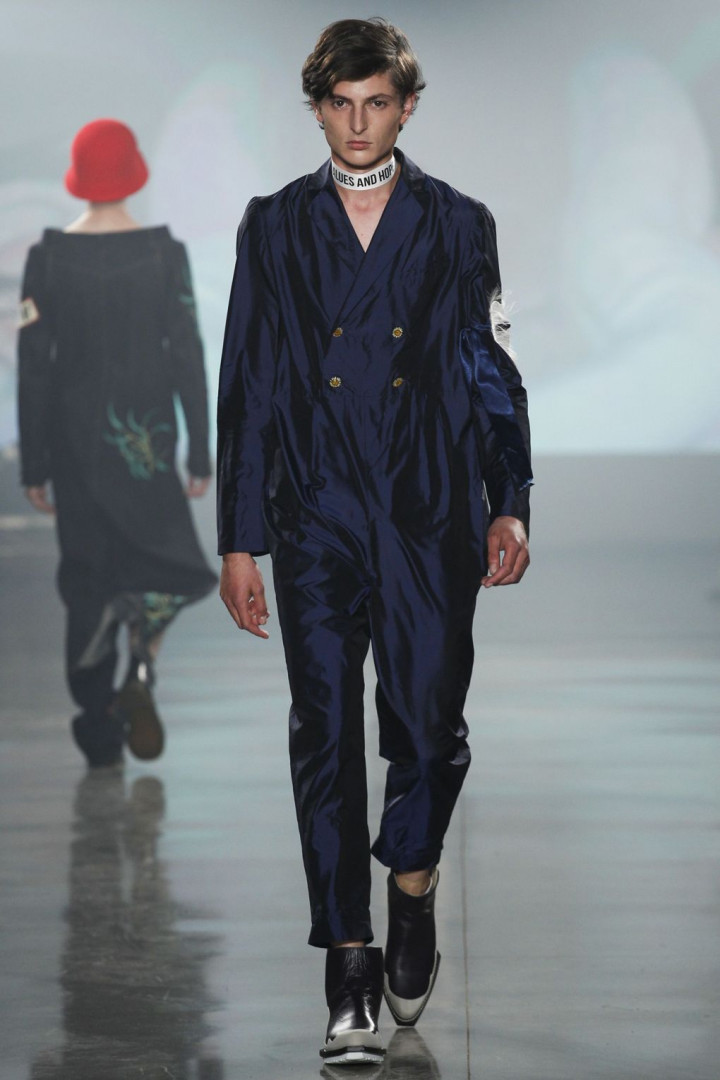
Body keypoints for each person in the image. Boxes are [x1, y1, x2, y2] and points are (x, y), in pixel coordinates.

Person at [217, 18, 532, 1066]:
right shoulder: (273, 224)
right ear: (318, 109)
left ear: (406, 107)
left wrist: (510, 496)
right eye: (340, 105)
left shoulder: (459, 222)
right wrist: (241, 540)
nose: (358, 124)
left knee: (429, 729)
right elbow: (248, 381)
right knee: (322, 731)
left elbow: (488, 363)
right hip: (314, 514)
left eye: (377, 104)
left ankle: (411, 880)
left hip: (428, 508)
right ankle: (348, 963)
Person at [18, 119, 216, 769]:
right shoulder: (164, 254)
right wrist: (199, 450)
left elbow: (34, 367)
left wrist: (34, 464)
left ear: (77, 178)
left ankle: (97, 726)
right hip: (146, 442)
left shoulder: (47, 259)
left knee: (87, 576)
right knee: (164, 564)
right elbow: (187, 354)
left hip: (75, 447)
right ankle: (142, 666)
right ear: (134, 173)